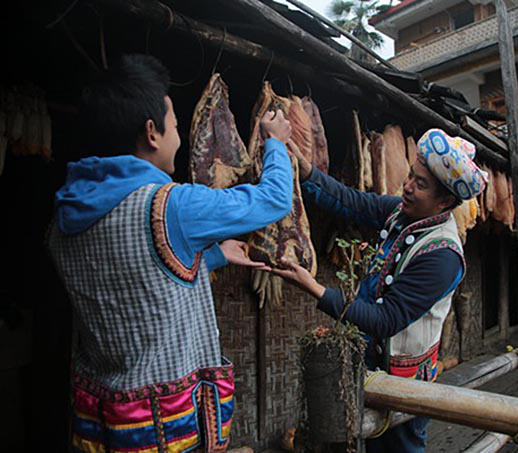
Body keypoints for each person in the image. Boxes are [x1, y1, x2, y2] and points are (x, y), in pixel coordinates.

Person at [48, 54, 293, 453]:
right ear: (152, 133)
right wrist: (276, 144)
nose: (178, 137)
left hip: (104, 425)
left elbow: (130, 278)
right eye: (176, 126)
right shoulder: (170, 206)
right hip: (166, 429)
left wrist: (212, 256)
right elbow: (273, 201)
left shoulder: (63, 218)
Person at [273, 129, 487, 453]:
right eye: (411, 176)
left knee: (401, 446)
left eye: (420, 184)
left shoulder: (442, 256)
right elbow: (352, 202)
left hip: (406, 381)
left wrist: (315, 289)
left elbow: (386, 320)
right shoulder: (401, 213)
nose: (408, 187)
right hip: (370, 365)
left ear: (444, 202)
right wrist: (307, 172)